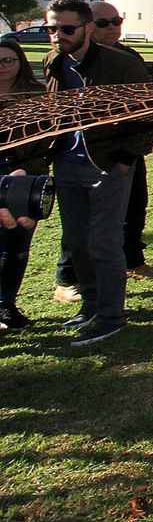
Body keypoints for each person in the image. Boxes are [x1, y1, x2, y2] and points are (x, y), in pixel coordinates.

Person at [43, 0, 153, 344]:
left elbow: (152, 119)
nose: (57, 36)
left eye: (66, 29)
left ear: (87, 28)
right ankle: (91, 306)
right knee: (77, 242)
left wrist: (125, 159)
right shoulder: (54, 61)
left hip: (107, 165)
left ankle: (112, 315)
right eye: (51, 28)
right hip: (67, 162)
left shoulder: (121, 66)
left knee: (104, 243)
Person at [0, 39, 50, 330]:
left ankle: (7, 305)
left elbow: (47, 141)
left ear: (20, 63)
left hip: (23, 174)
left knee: (17, 244)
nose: (4, 67)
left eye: (10, 60)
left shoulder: (35, 96)